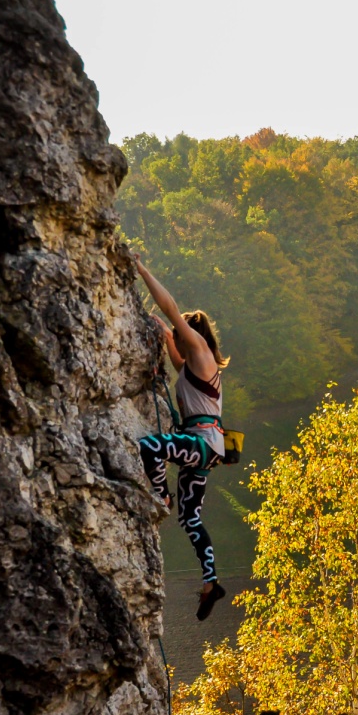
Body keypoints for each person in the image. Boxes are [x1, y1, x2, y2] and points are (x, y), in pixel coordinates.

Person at [134, 256, 230, 621]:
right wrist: (160, 330)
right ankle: (211, 583)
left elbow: (170, 309)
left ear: (192, 335)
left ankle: (160, 492)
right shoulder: (192, 368)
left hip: (202, 444)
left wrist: (144, 271)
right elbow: (171, 346)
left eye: (181, 333)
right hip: (207, 448)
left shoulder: (202, 353)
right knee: (191, 518)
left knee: (149, 447)